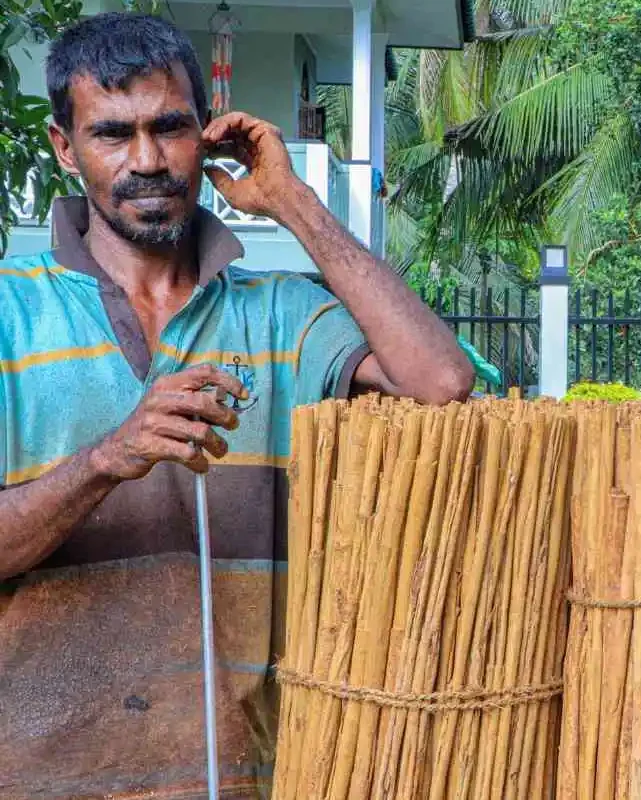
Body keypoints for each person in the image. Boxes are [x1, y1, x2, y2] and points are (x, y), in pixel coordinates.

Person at [0, 13, 474, 799]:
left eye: (172, 128)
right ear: (63, 147)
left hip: (244, 776)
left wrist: (293, 204)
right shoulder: (9, 317)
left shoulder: (281, 314)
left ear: (208, 136)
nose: (147, 160)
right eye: (113, 134)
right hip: (37, 775)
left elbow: (442, 384)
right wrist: (105, 462)